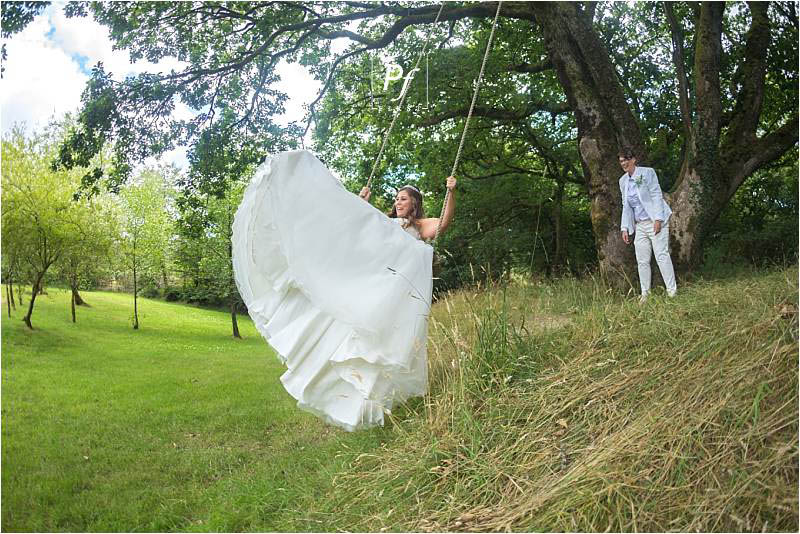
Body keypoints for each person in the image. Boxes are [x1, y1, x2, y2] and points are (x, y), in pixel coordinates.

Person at [618, 148, 677, 302]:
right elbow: (626, 206)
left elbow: (656, 194)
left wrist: (658, 219)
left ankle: (672, 291)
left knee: (661, 255)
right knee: (642, 260)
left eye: (626, 160)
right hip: (640, 225)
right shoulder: (623, 181)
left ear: (633, 160)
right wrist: (625, 228)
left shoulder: (647, 173)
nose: (623, 163)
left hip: (655, 221)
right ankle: (645, 294)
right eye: (621, 161)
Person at [359, 176, 457, 241]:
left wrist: (451, 193)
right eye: (397, 199)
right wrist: (362, 203)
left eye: (403, 199)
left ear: (414, 204)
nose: (398, 203)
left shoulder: (419, 225)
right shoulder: (387, 220)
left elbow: (443, 223)